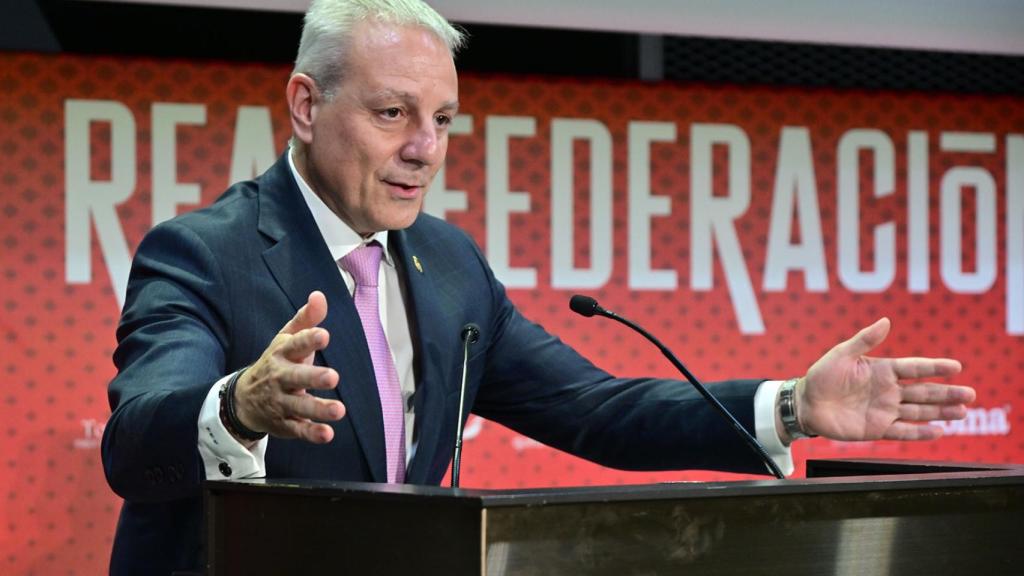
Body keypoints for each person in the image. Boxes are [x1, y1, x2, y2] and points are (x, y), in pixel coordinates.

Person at [100, 0, 976, 574]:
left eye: (442, 120)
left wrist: (790, 408)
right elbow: (136, 447)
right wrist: (240, 404)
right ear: (303, 104)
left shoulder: (447, 266)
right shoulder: (200, 254)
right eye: (392, 113)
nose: (424, 149)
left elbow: (593, 408)